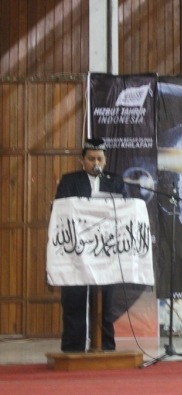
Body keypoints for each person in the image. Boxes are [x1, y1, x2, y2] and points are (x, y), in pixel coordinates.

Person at [54, 138, 126, 352]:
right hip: (76, 250)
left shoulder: (115, 181)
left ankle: (105, 346)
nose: (96, 163)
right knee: (74, 300)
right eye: (91, 159)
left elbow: (125, 210)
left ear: (105, 161)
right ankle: (73, 347)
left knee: (105, 302)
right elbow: (58, 210)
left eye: (99, 159)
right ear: (82, 160)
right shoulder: (70, 181)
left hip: (105, 249)